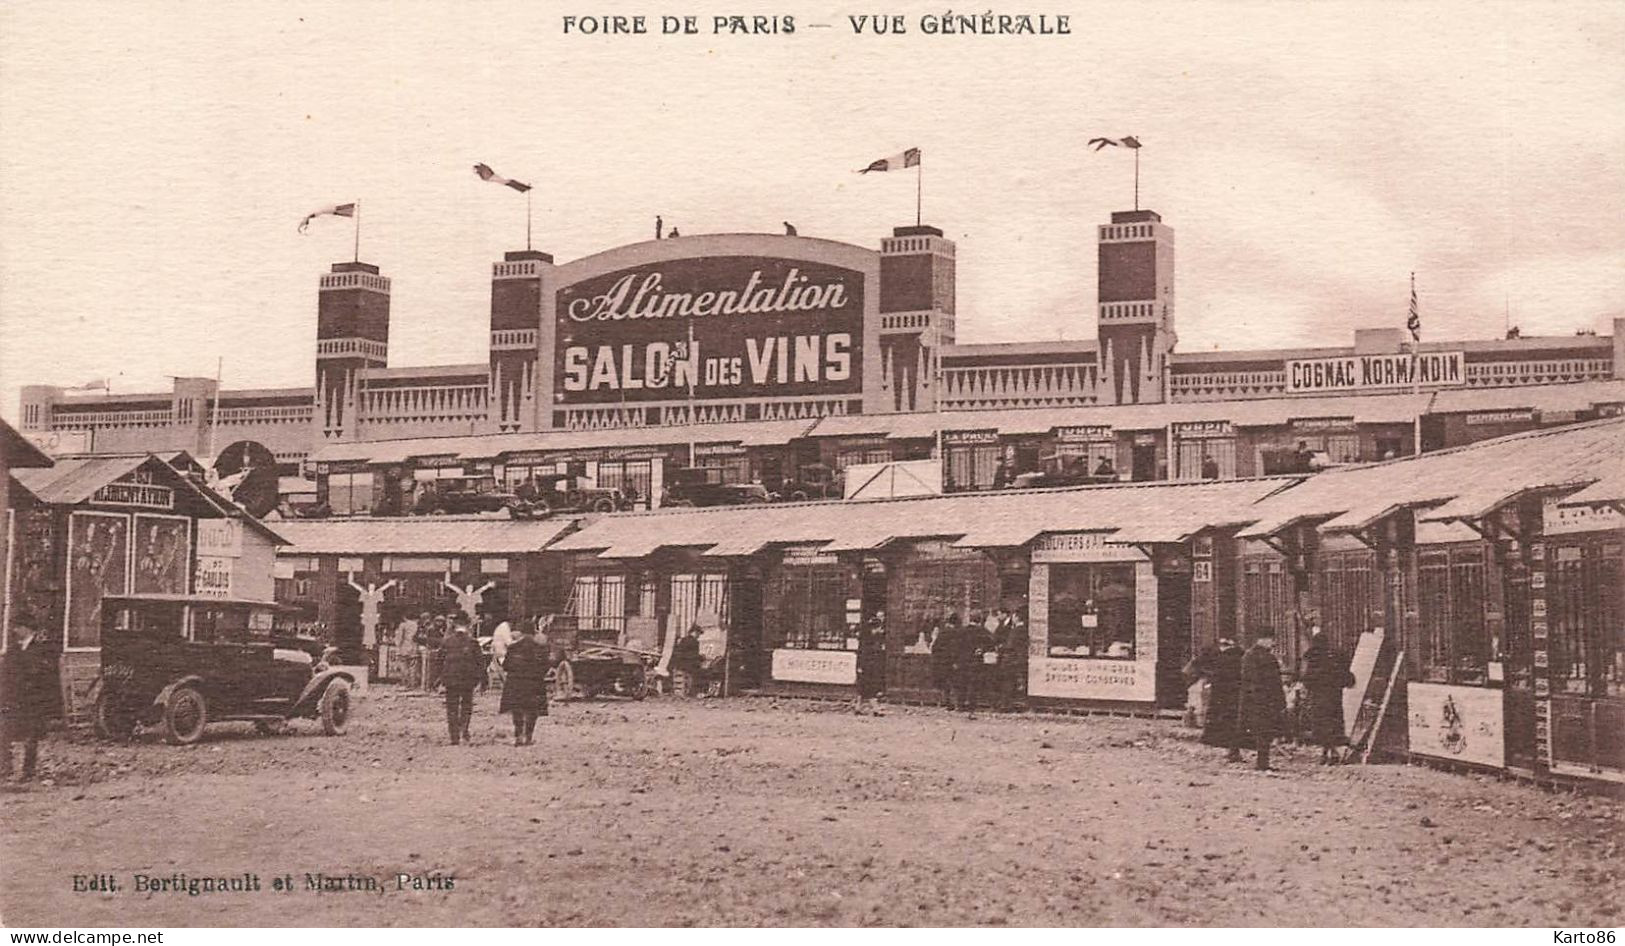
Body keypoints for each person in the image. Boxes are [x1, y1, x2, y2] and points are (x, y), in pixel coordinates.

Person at [1, 612, 61, 782]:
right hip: (13, 699)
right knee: (4, 733)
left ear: (26, 628)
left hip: (33, 700)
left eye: (17, 627)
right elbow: (6, 672)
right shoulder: (14, 648)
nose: (14, 630)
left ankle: (28, 772)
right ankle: (5, 769)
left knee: (30, 737)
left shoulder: (42, 649)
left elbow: (45, 676)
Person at [1300, 630, 1356, 764]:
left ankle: (1326, 753)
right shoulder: (1337, 656)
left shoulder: (1313, 657)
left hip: (1319, 697)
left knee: (1321, 724)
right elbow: (1348, 679)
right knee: (1333, 724)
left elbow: (1307, 678)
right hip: (1334, 696)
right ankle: (1333, 752)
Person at [1188, 638, 1245, 762]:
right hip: (1235, 695)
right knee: (1235, 723)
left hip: (1221, 696)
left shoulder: (1218, 657)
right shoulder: (1240, 656)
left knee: (1224, 723)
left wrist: (1209, 676)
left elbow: (1197, 667)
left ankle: (1231, 751)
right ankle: (1234, 751)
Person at [1238, 633, 1287, 771]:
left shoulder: (1249, 656)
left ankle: (1262, 762)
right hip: (1264, 699)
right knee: (1264, 731)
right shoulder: (1265, 657)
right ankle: (1262, 763)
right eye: (1271, 640)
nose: (1273, 643)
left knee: (1262, 730)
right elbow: (1272, 682)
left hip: (1255, 699)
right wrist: (1278, 699)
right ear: (1262, 639)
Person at [499, 620, 549, 746]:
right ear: (534, 632)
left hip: (516, 682)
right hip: (534, 682)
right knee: (533, 710)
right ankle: (529, 736)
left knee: (517, 709)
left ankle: (518, 735)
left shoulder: (513, 647)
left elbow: (506, 666)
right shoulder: (540, 647)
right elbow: (546, 666)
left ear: (520, 632)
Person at [438, 613, 486, 745]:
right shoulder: (473, 642)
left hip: (451, 678)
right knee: (466, 704)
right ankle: (464, 729)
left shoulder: (447, 641)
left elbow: (439, 660)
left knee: (452, 706)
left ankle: (454, 736)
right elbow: (480, 662)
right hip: (468, 679)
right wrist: (483, 680)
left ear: (454, 625)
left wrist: (439, 679)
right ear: (468, 625)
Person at [956, 612, 995, 718]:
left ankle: (960, 704)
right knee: (973, 684)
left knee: (962, 683)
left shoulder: (962, 631)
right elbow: (991, 644)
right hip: (975, 661)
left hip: (962, 661)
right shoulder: (983, 632)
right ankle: (972, 705)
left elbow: (955, 646)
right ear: (980, 620)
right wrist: (981, 649)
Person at [993, 608, 1028, 711]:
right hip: (1017, 659)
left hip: (1011, 660)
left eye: (1014, 616)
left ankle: (1005, 705)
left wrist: (1001, 647)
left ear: (1017, 617)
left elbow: (1010, 646)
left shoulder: (1017, 630)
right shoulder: (1022, 629)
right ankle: (1009, 704)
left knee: (1007, 682)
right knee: (1011, 682)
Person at [854, 611, 886, 714]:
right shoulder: (868, 642)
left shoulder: (870, 639)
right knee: (870, 688)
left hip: (865, 667)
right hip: (867, 667)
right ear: (874, 629)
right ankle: (876, 709)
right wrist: (860, 666)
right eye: (878, 628)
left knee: (862, 688)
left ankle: (858, 707)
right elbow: (863, 654)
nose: (879, 630)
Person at [931, 611, 962, 709]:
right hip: (955, 661)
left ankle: (948, 702)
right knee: (955, 682)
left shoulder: (943, 632)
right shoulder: (959, 633)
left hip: (943, 661)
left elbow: (935, 647)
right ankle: (957, 702)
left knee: (946, 682)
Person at [417, 613, 446, 691]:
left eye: (442, 622)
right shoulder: (432, 629)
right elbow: (430, 640)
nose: (440, 623)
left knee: (436, 670)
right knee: (431, 670)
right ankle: (429, 686)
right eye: (439, 621)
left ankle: (432, 685)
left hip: (438, 651)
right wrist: (441, 641)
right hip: (432, 650)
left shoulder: (440, 630)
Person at [671, 625, 702, 696]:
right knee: (700, 672)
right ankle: (693, 691)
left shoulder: (683, 640)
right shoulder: (694, 642)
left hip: (679, 664)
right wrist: (701, 658)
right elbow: (693, 655)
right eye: (698, 634)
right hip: (688, 665)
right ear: (694, 632)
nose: (699, 636)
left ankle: (685, 691)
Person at [487, 613, 515, 688]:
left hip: (499, 652)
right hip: (502, 654)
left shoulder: (501, 627)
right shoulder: (505, 627)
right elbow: (509, 643)